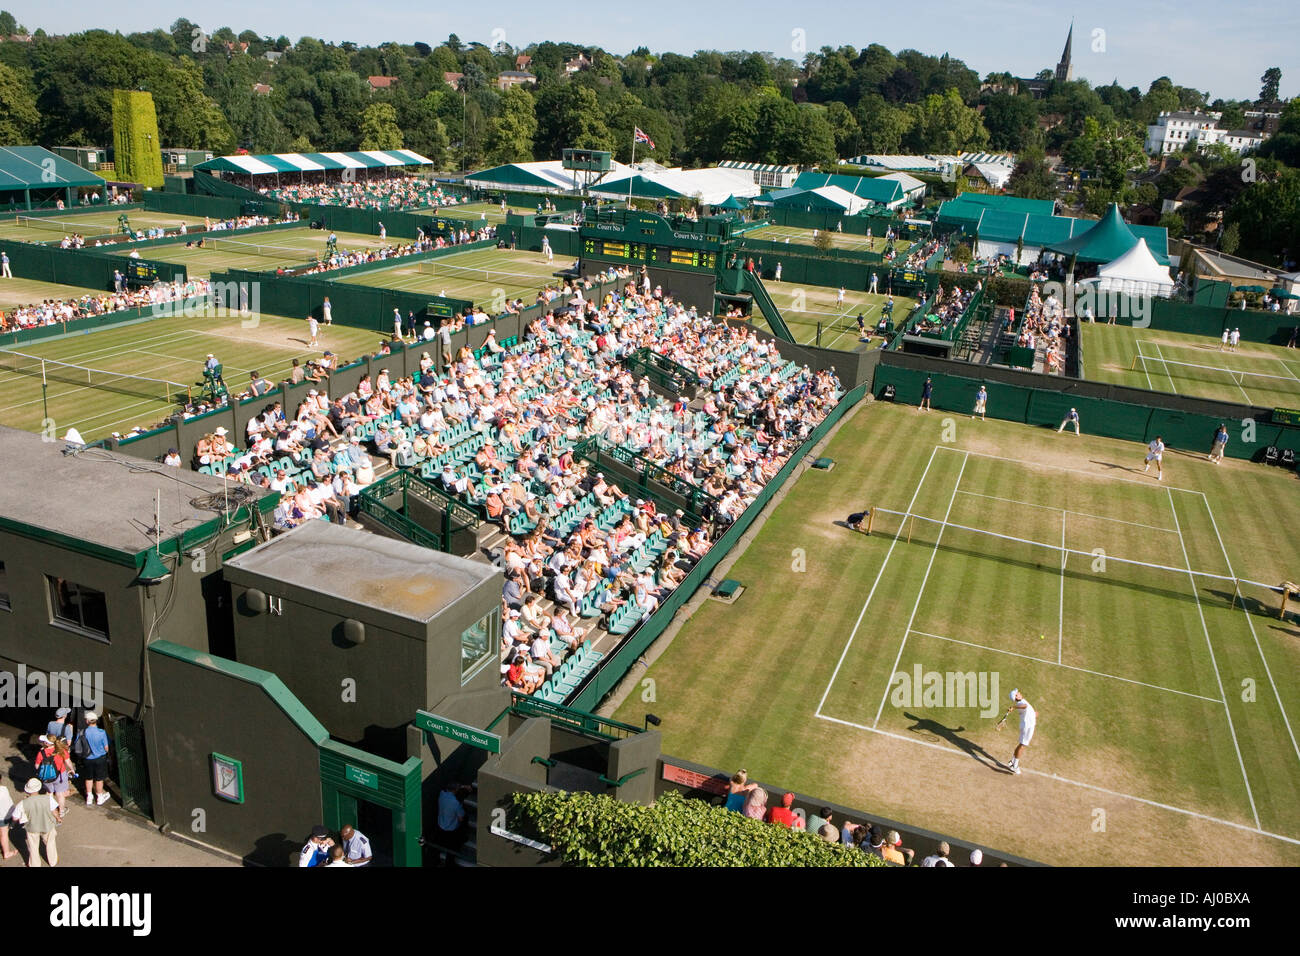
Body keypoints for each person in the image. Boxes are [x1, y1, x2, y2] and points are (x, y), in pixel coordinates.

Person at [13, 779, 62, 866]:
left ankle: (35, 864)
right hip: (47, 825)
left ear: (27, 790)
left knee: (33, 847)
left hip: (32, 827)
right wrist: (58, 818)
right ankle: (53, 861)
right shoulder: (48, 798)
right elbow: (54, 811)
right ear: (39, 788)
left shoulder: (23, 803)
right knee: (50, 842)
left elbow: (15, 817)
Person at [79, 711, 111, 806]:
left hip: (87, 759)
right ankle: (99, 797)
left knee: (88, 778)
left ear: (87, 721)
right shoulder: (102, 732)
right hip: (100, 758)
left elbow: (78, 745)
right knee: (99, 779)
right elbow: (106, 748)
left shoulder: (82, 732)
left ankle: (89, 797)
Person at [1001, 688, 1037, 775]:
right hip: (1027, 727)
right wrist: (1014, 707)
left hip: (1027, 726)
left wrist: (1033, 714)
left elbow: (1026, 709)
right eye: (1017, 694)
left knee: (1021, 744)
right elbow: (1024, 706)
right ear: (1016, 697)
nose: (1019, 693)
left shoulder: (1022, 702)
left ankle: (1012, 761)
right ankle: (1015, 766)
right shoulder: (1021, 703)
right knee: (1022, 745)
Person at [436, 782, 469, 864]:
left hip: (440, 826)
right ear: (456, 790)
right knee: (452, 849)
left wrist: (463, 786)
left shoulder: (441, 794)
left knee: (439, 845)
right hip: (451, 831)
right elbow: (461, 818)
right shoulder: (456, 803)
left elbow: (447, 787)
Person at [0, 781, 17, 859]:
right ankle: (6, 853)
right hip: (3, 816)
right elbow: (10, 804)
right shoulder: (3, 790)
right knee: (4, 834)